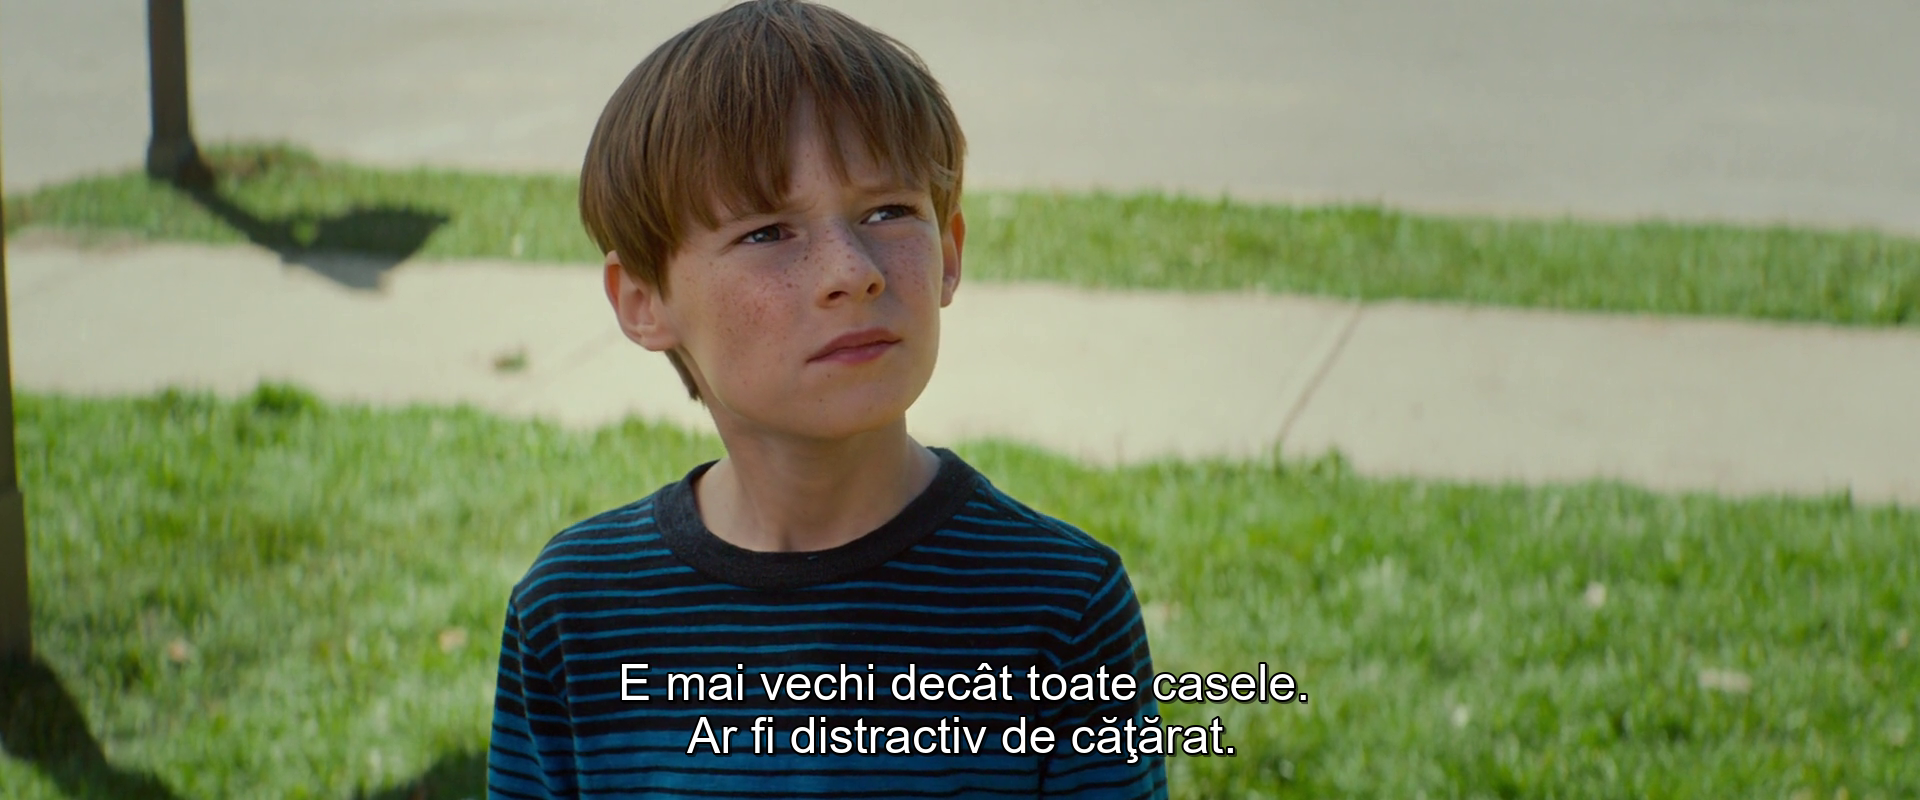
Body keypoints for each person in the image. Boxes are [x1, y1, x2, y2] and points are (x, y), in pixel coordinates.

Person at [487, 2, 1165, 797]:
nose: (853, 271)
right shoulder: (574, 615)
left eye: (889, 212)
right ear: (642, 300)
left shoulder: (1060, 607)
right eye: (768, 232)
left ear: (949, 253)